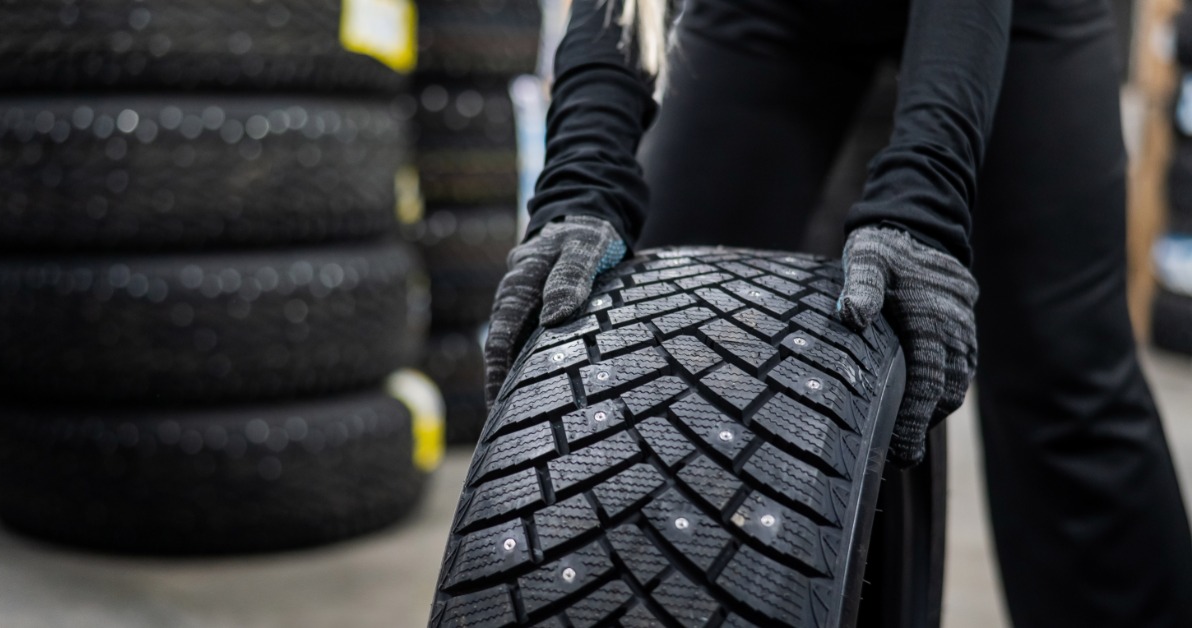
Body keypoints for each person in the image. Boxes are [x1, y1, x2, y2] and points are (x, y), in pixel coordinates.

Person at [484, 0, 1192, 624]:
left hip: (1022, 13)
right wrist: (581, 186)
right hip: (782, 10)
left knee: (1064, 373)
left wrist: (924, 203)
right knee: (649, 358)